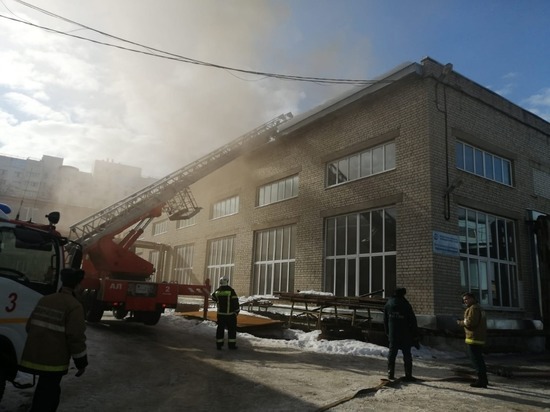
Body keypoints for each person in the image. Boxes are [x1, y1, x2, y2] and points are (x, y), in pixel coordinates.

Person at [19, 268, 89, 411]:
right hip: (54, 362)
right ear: (76, 286)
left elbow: (29, 326)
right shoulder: (74, 306)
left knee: (43, 390)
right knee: (49, 394)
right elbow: (75, 338)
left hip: (34, 356)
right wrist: (81, 363)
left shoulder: (45, 299)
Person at [383, 287, 419, 381]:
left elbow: (385, 320)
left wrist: (387, 332)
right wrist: (415, 334)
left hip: (393, 333)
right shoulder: (405, 304)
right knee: (407, 354)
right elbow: (412, 320)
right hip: (405, 333)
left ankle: (390, 373)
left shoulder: (388, 304)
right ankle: (408, 374)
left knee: (392, 353)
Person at [457, 292, 488, 388]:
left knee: (476, 360)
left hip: (473, 338)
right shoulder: (479, 308)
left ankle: (481, 380)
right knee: (479, 359)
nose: (465, 301)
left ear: (472, 299)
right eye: (464, 300)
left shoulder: (473, 308)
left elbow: (470, 322)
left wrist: (460, 322)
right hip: (478, 337)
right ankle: (483, 379)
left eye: (466, 299)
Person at [211, 276, 240, 350]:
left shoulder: (217, 291)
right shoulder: (231, 290)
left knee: (220, 329)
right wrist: (237, 311)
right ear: (227, 281)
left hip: (220, 315)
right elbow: (235, 301)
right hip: (230, 315)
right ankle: (231, 345)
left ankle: (219, 345)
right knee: (232, 330)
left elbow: (213, 297)